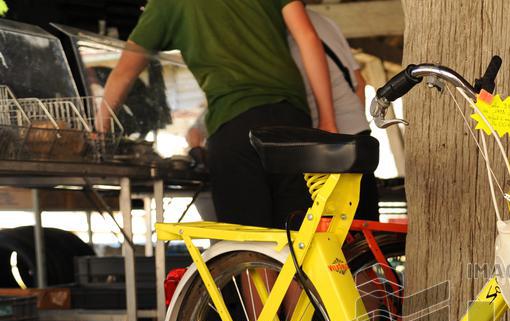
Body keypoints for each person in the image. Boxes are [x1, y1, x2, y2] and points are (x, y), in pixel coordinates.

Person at [97, 0, 337, 230]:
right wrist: (327, 119)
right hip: (292, 120)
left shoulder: (167, 4)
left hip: (234, 124)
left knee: (251, 250)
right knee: (299, 242)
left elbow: (123, 73)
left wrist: (100, 133)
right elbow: (307, 38)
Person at [291, 1, 380, 220]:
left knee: (333, 233)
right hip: (357, 135)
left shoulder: (287, 30)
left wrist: (328, 121)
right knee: (365, 230)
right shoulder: (325, 22)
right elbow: (359, 82)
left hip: (326, 139)